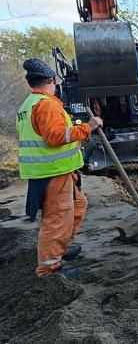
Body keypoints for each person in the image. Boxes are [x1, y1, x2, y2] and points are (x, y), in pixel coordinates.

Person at [15, 58, 102, 277]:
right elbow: (54, 137)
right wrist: (87, 128)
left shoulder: (29, 105)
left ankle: (61, 248)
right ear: (53, 80)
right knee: (57, 220)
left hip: (56, 171)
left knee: (78, 206)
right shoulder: (47, 104)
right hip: (52, 172)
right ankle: (49, 269)